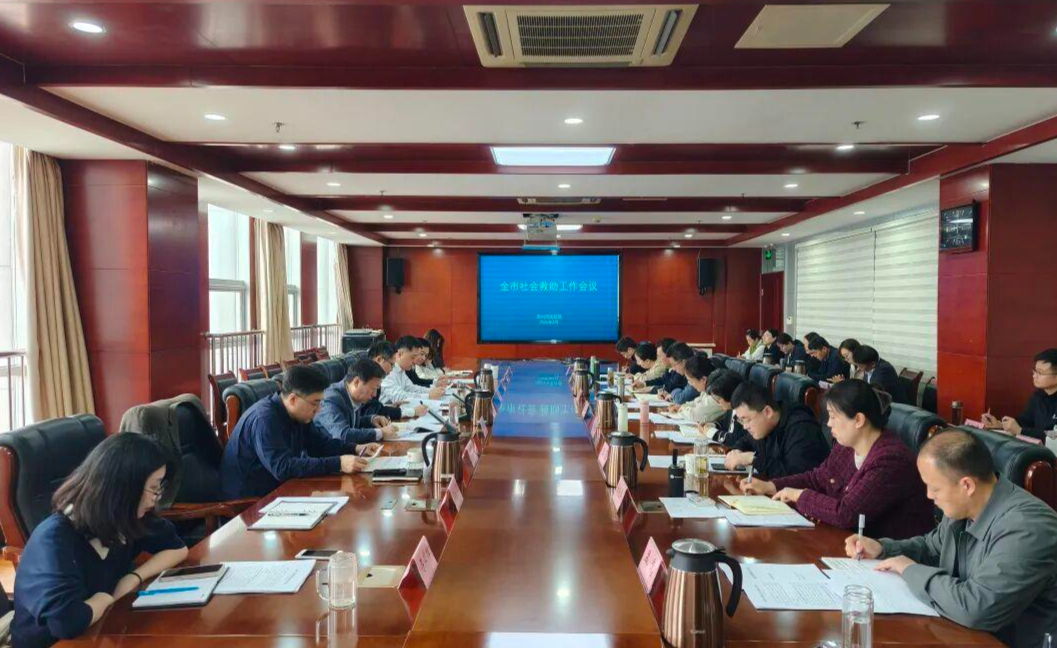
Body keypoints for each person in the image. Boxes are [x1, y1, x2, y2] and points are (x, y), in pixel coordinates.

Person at [846, 429, 1057, 648]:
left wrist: (908, 569)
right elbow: (932, 548)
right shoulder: (963, 508)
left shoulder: (1028, 528)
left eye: (935, 488)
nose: (929, 495)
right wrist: (882, 549)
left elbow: (976, 608)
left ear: (967, 485)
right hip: (962, 635)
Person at [14, 434, 190, 648]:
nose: (156, 498)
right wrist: (104, 599)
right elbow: (66, 623)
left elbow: (177, 548)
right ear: (124, 488)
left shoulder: (124, 517)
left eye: (159, 487)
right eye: (153, 488)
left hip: (103, 632)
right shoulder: (53, 540)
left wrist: (132, 578)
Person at [740, 379, 932, 539]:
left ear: (858, 420)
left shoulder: (890, 459)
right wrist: (771, 486)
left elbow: (846, 514)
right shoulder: (846, 446)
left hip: (888, 556)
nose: (828, 423)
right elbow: (817, 478)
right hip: (849, 543)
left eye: (833, 416)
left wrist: (800, 495)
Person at [220, 365, 379, 498]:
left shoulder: (299, 414)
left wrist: (355, 448)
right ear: (293, 399)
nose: (318, 409)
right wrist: (338, 463)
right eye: (315, 403)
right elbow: (283, 468)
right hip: (249, 503)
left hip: (281, 491)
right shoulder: (265, 419)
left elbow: (320, 445)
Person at [724, 381, 830, 477]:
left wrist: (752, 459)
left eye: (747, 419)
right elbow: (746, 441)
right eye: (741, 420)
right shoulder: (764, 426)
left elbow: (796, 477)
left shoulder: (802, 429)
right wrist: (736, 451)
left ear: (767, 412)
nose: (745, 426)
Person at [317, 359, 400, 444]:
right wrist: (380, 433)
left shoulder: (351, 395)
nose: (374, 394)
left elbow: (351, 423)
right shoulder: (331, 399)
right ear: (356, 382)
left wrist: (371, 419)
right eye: (373, 388)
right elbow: (342, 435)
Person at [981, 348, 1057, 440]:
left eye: (1040, 373)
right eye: (1034, 371)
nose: (1034, 376)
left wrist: (1020, 431)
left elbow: (1054, 435)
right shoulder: (1038, 396)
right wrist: (1000, 425)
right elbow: (1025, 422)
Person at [360, 341, 427, 422]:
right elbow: (372, 411)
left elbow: (374, 407)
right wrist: (412, 412)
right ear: (379, 359)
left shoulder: (375, 378)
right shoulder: (365, 378)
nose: (392, 369)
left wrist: (390, 406)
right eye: (391, 365)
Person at [380, 336, 446, 410]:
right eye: (412, 357)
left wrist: (432, 391)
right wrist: (428, 396)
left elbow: (412, 388)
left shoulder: (401, 371)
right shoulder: (388, 371)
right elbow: (400, 397)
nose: (414, 361)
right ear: (399, 354)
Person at [705, 370, 752, 450]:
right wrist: (713, 425)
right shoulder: (731, 407)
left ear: (730, 395)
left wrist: (713, 433)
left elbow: (737, 439)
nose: (717, 403)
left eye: (718, 400)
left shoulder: (745, 411)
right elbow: (726, 423)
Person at [673, 355, 725, 425]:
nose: (690, 384)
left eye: (691, 381)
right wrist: (682, 406)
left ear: (703, 379)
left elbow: (694, 414)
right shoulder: (706, 390)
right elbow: (696, 402)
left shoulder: (716, 394)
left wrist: (682, 409)